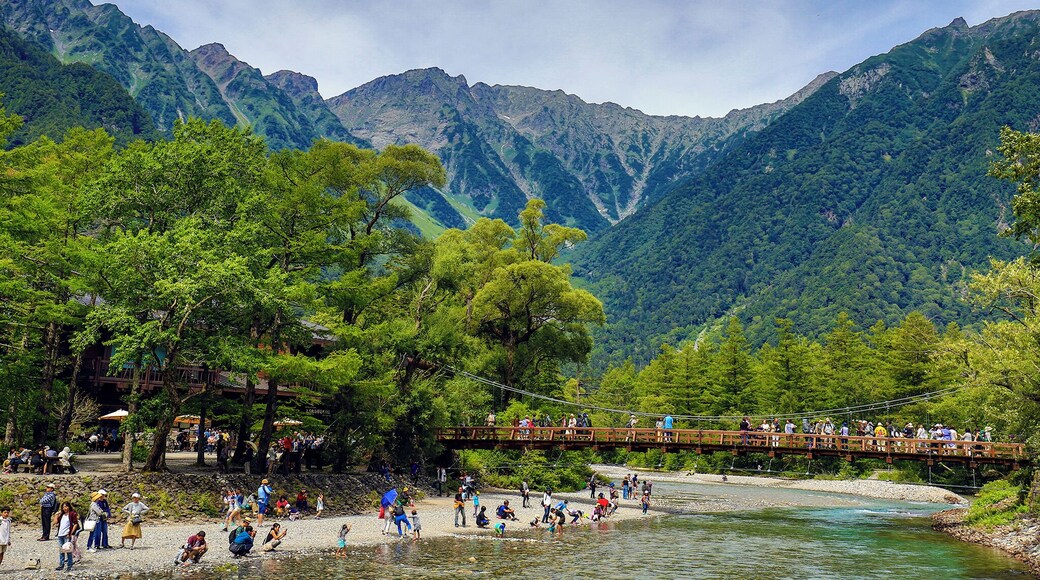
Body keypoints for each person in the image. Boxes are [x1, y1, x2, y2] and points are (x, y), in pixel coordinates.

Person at [54, 501, 78, 572]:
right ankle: (61, 564)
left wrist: (71, 532)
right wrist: (56, 515)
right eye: (63, 507)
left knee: (68, 550)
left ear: (69, 507)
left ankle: (69, 565)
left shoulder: (72, 514)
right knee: (61, 550)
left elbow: (75, 524)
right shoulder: (61, 515)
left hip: (66, 534)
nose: (65, 508)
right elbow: (55, 522)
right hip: (60, 534)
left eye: (66, 506)